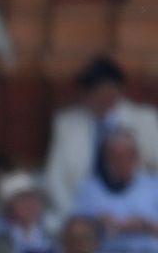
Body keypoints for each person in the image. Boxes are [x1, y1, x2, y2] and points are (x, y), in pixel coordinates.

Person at [44, 56, 158, 216]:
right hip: (81, 207)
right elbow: (55, 177)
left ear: (117, 92)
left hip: (137, 210)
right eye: (92, 92)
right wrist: (74, 217)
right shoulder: (67, 123)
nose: (100, 98)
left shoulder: (145, 119)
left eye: (106, 92)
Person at [74, 128, 158, 253]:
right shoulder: (90, 189)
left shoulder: (153, 186)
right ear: (105, 158)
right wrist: (97, 224)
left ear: (136, 156)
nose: (121, 162)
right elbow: (75, 232)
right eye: (115, 156)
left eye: (126, 156)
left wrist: (142, 225)